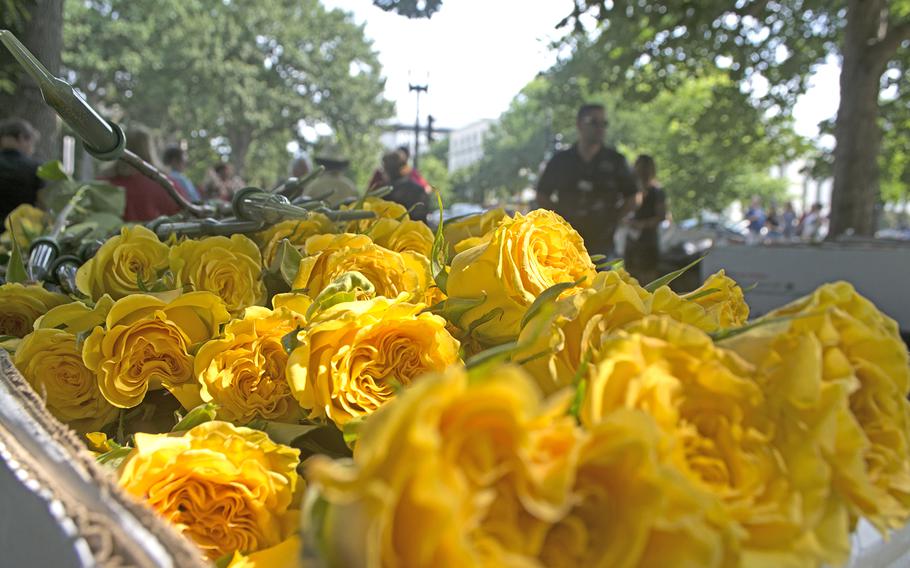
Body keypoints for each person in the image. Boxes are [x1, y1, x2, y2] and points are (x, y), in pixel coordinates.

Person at [536, 103, 639, 257]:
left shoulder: (616, 161)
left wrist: (614, 217)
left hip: (603, 245)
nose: (600, 128)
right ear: (579, 124)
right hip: (566, 245)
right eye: (593, 122)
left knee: (603, 281)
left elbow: (634, 197)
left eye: (604, 123)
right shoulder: (561, 161)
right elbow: (542, 194)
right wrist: (558, 218)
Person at [99, 126, 187, 222]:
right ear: (150, 148)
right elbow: (184, 217)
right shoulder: (167, 185)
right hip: (157, 237)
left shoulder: (101, 186)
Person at [624, 155, 667, 284]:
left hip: (648, 240)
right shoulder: (631, 190)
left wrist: (641, 225)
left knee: (649, 279)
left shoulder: (657, 191)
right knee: (630, 277)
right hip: (632, 240)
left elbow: (661, 216)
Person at [0, 118, 43, 224]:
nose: (32, 149)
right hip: (22, 233)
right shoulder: (36, 168)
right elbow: (42, 204)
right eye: (32, 143)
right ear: (21, 138)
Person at [381, 150, 429, 222]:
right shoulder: (419, 190)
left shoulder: (384, 193)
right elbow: (422, 219)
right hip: (416, 231)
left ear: (387, 170)